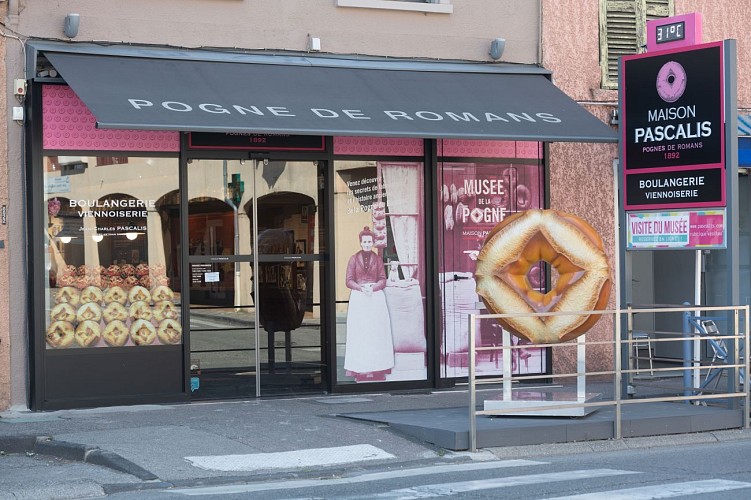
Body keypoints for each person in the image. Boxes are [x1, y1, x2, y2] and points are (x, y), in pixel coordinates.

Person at [344, 226, 394, 382]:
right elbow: (349, 280)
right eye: (364, 241)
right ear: (360, 242)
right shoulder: (353, 258)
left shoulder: (378, 259)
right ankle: (361, 369)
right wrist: (360, 288)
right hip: (359, 299)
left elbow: (382, 279)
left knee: (376, 333)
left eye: (369, 241)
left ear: (373, 242)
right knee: (360, 334)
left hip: (375, 299)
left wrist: (374, 287)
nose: (366, 244)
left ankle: (378, 368)